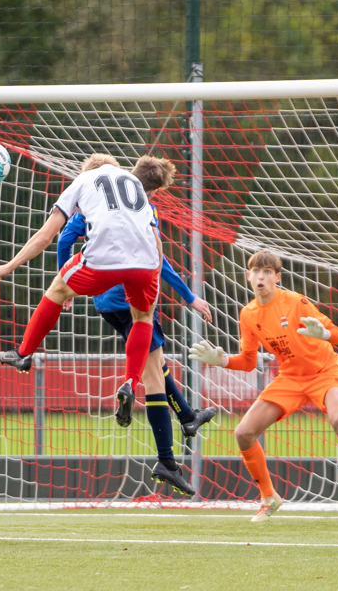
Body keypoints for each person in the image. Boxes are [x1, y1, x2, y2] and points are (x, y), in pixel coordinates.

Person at [0, 153, 196, 495]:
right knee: (143, 319)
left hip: (103, 264)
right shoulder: (135, 186)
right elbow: (156, 241)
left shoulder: (84, 181)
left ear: (87, 171)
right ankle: (131, 385)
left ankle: (24, 352)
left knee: (58, 288)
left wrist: (8, 267)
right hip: (146, 263)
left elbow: (48, 236)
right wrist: (162, 282)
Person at [55, 157, 218, 496]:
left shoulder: (94, 201)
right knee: (153, 375)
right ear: (154, 190)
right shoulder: (142, 205)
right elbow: (160, 263)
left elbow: (61, 241)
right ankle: (167, 460)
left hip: (105, 302)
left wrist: (65, 284)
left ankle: (187, 416)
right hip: (137, 297)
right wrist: (190, 298)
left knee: (156, 364)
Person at [189, 250, 338, 523]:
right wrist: (221, 359)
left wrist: (321, 333)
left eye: (267, 272)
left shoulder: (296, 302)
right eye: (256, 271)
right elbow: (248, 362)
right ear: (248, 276)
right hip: (290, 378)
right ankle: (269, 497)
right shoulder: (248, 314)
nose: (260, 277)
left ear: (277, 277)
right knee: (243, 433)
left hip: (325, 371)